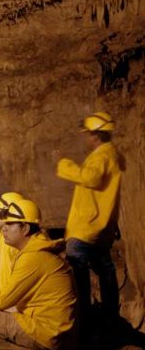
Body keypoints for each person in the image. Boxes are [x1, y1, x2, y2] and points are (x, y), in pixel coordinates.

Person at [0, 199, 77, 350]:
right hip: (53, 327)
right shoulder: (35, 251)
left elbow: (4, 298)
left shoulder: (34, 257)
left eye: (10, 224)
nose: (4, 229)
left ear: (25, 228)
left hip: (48, 332)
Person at [56, 111, 121, 335]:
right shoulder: (112, 154)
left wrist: (64, 164)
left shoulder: (102, 156)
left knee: (78, 272)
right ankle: (110, 317)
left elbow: (91, 178)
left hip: (87, 227)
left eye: (87, 134)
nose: (85, 138)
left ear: (95, 135)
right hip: (101, 227)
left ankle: (82, 318)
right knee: (105, 271)